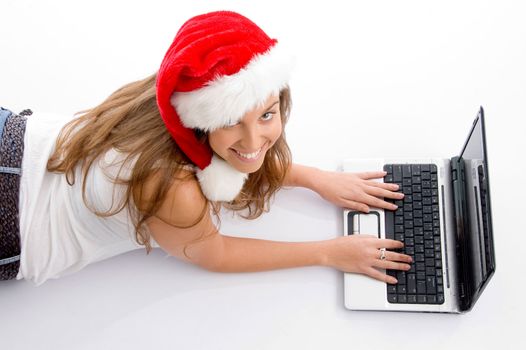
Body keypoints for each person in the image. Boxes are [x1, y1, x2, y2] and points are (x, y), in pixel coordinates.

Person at [0, 10, 412, 286]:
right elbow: (214, 252)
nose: (254, 142)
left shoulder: (173, 94)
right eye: (231, 122)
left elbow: (243, 156)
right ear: (201, 121)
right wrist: (329, 253)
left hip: (13, 137)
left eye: (267, 115)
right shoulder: (173, 187)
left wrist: (314, 177)